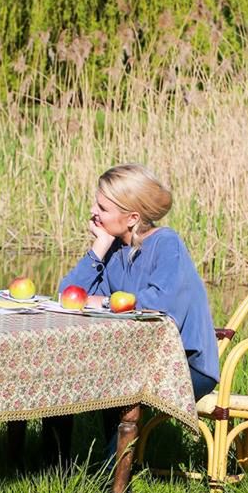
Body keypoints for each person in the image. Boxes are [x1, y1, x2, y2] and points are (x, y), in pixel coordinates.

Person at [59, 163, 220, 400]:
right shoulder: (114, 249)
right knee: (67, 376)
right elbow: (68, 297)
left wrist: (103, 303)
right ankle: (59, 439)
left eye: (102, 208)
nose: (93, 211)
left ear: (132, 218)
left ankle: (120, 437)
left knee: (116, 388)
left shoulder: (166, 243)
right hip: (135, 360)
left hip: (186, 364)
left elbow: (160, 304)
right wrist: (99, 247)